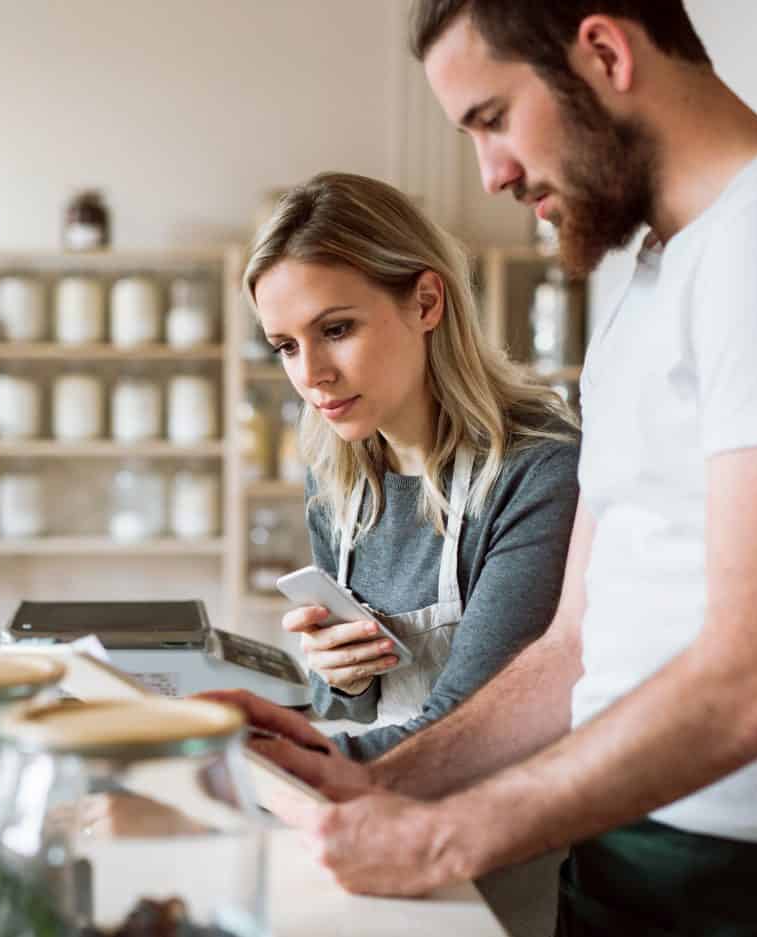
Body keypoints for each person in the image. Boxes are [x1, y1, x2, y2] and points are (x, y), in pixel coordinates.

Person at [207, 2, 757, 934]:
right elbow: (574, 652)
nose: (491, 173)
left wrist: (444, 836)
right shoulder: (652, 287)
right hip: (623, 870)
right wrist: (366, 772)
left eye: (491, 119)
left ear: (604, 51)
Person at [245, 171, 580, 761]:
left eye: (337, 329)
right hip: (393, 800)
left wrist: (254, 764)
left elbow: (471, 726)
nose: (311, 374)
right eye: (287, 346)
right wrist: (337, 677)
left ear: (426, 302)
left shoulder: (538, 472)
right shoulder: (336, 476)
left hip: (504, 818)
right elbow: (345, 707)